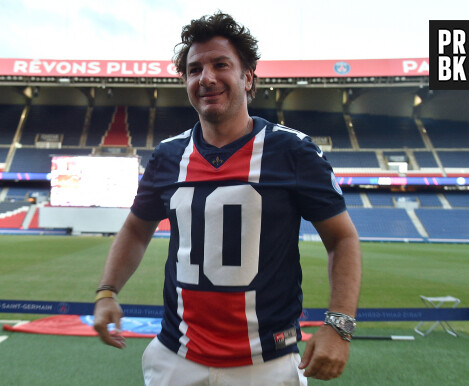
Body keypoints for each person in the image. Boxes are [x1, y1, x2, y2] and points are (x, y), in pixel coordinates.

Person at [93, 11, 362, 385]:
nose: (206, 78)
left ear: (247, 76)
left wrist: (339, 324)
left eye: (221, 64)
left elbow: (342, 238)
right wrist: (107, 291)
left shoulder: (293, 151)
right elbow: (137, 229)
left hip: (265, 364)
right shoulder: (168, 156)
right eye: (194, 69)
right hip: (176, 357)